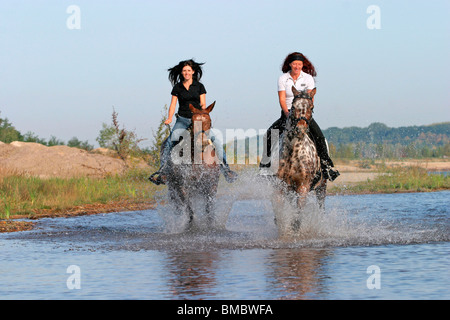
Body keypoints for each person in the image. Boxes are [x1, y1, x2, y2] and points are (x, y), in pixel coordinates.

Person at [150, 59, 237, 185]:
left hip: (198, 120)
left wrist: (203, 116)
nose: (186, 73)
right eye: (184, 70)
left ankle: (226, 170)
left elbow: (203, 104)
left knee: (216, 141)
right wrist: (169, 118)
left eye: (189, 71)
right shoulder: (177, 87)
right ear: (181, 72)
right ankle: (163, 171)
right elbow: (173, 105)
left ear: (193, 72)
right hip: (183, 120)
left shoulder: (199, 86)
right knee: (169, 141)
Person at [259, 52, 339, 181]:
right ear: (290, 64)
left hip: (304, 114)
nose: (297, 66)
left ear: (303, 65)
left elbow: (310, 98)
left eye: (299, 64)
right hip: (288, 112)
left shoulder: (308, 78)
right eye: (295, 63)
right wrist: (287, 113)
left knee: (319, 136)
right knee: (269, 135)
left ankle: (326, 166)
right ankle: (265, 167)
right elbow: (282, 98)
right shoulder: (283, 78)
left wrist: (305, 113)